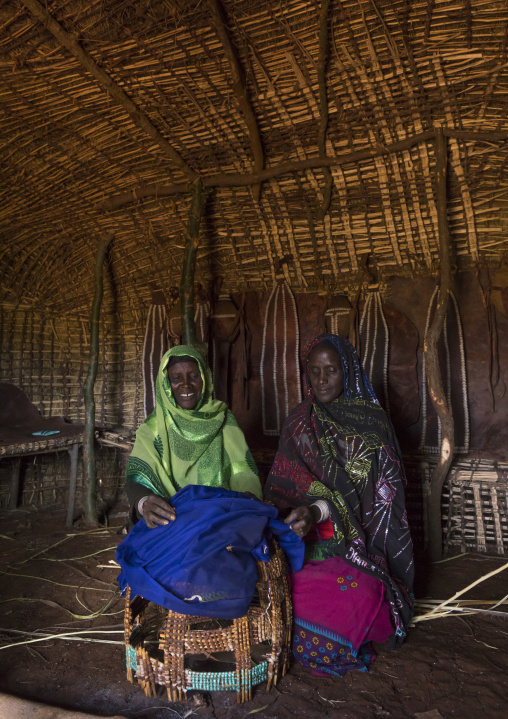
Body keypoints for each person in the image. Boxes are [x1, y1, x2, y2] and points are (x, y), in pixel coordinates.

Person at [264, 333, 414, 678]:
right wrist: (301, 516)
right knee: (276, 587)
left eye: (331, 370)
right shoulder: (300, 422)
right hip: (309, 546)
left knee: (356, 594)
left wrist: (323, 510)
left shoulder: (374, 425)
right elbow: (281, 490)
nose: (322, 380)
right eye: (314, 371)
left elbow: (386, 503)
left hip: (361, 548)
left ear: (348, 371)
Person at [125, 345, 263, 527]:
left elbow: (243, 475)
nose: (186, 384)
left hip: (221, 517)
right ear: (166, 384)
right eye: (176, 378)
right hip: (173, 520)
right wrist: (143, 503)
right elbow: (137, 477)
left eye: (194, 376)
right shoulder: (153, 429)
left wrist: (245, 501)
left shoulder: (223, 419)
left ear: (204, 379)